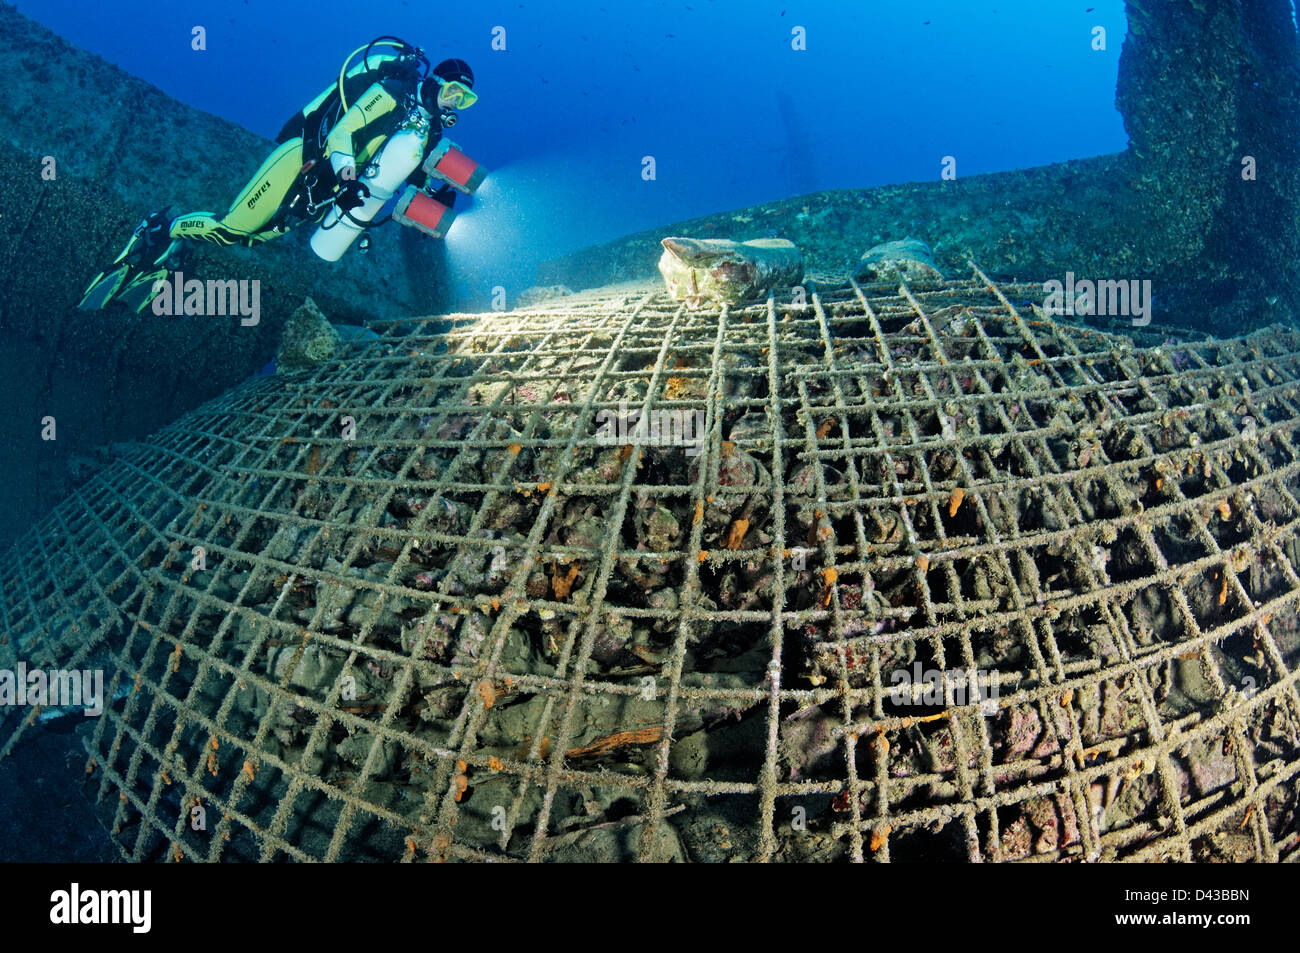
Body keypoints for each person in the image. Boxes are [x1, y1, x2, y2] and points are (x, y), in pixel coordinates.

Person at [79, 37, 477, 312]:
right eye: (453, 92)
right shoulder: (392, 92)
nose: (455, 103)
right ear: (436, 83)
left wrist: (434, 193)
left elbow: (400, 174)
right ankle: (161, 229)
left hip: (322, 190)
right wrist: (347, 175)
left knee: (255, 240)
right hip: (302, 160)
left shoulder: (426, 133)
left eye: (465, 99)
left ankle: (176, 253)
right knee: (234, 228)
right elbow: (343, 132)